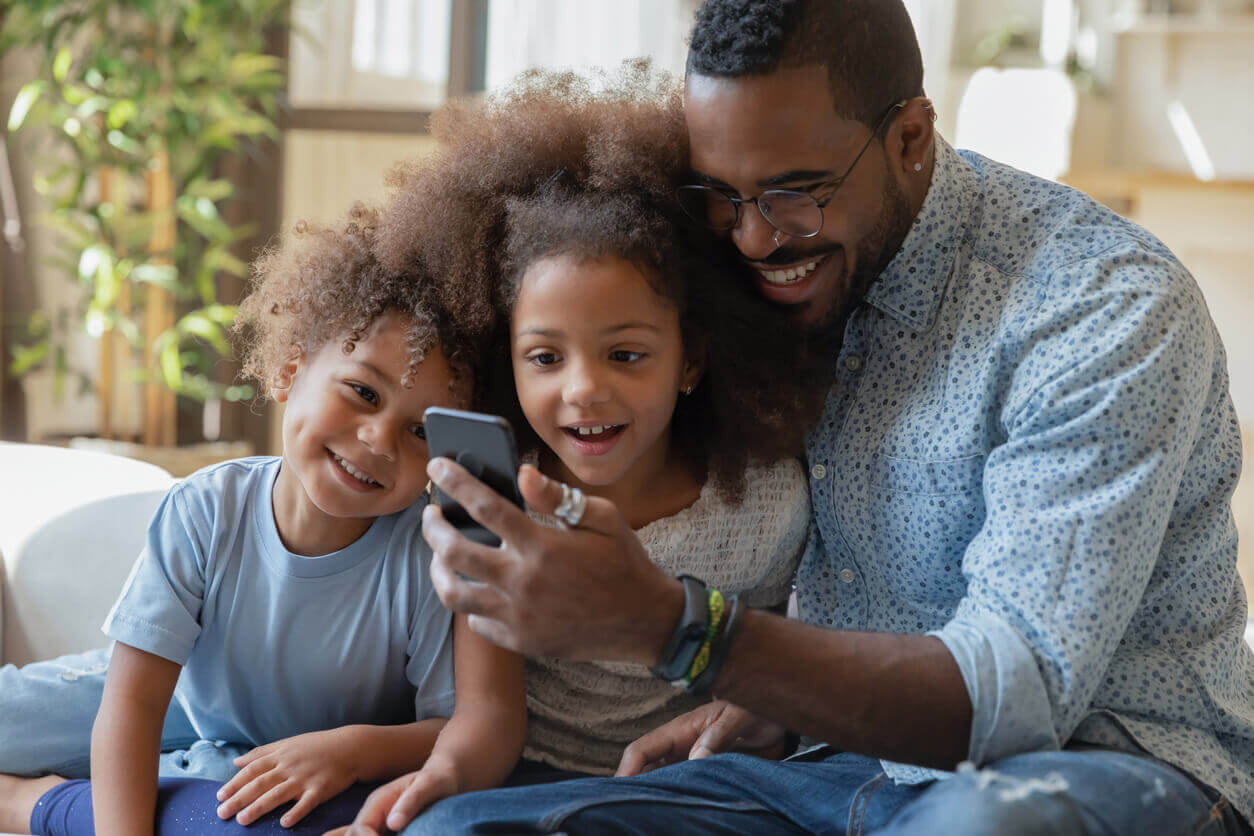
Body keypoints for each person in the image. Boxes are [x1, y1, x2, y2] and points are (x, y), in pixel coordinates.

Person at [393, 1, 1254, 834]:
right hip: (831, 764)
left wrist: (676, 628)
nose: (754, 240)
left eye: (793, 191)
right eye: (722, 195)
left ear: (910, 137)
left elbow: (1014, 699)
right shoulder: (767, 269)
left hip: (1098, 765)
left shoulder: (1100, 305)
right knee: (462, 831)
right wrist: (777, 704)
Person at [335, 67, 825, 834]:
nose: (583, 391)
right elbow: (487, 716)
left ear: (691, 360)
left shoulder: (764, 503)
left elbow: (774, 663)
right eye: (545, 357)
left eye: (626, 356)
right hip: (520, 775)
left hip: (695, 790)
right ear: (508, 359)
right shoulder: (498, 494)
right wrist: (433, 784)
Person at [0, 206, 526, 835]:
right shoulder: (205, 510)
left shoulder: (428, 554)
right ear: (288, 371)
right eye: (363, 392)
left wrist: (350, 749)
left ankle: (29, 803)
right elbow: (133, 705)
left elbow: (452, 728)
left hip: (262, 748)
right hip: (181, 695)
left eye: (419, 430)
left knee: (225, 809)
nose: (381, 440)